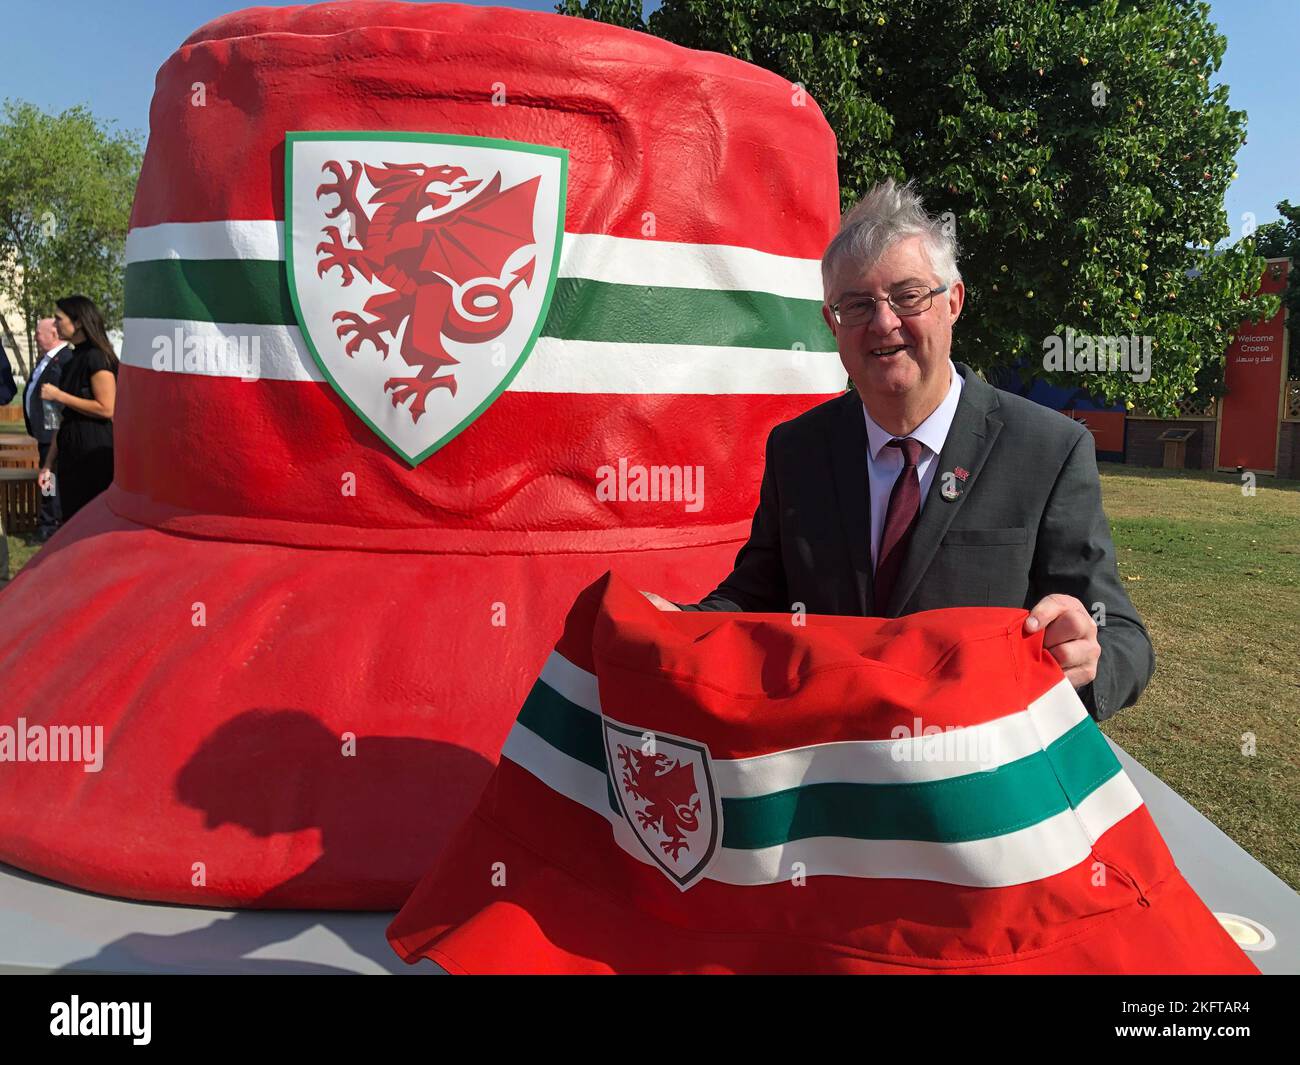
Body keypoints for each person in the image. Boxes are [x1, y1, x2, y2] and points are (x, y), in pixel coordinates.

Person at [644, 179, 1154, 723]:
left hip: (970, 777)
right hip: (832, 764)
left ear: (952, 302)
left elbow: (1123, 638)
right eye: (857, 305)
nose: (884, 322)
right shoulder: (798, 449)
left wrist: (1088, 657)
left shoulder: (1049, 449)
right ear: (831, 324)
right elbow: (759, 593)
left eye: (908, 296)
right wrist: (676, 627)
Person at [38, 296, 119, 522]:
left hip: (93, 452)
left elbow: (106, 408)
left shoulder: (96, 357)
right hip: (71, 451)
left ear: (79, 322)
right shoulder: (73, 359)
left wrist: (59, 395)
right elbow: (65, 417)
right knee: (72, 517)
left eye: (58, 319)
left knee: (92, 520)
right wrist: (48, 464)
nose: (55, 324)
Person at [23, 318, 69, 539]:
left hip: (52, 436)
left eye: (38, 332)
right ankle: (49, 519)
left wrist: (53, 433)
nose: (35, 336)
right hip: (44, 434)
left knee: (49, 479)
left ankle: (50, 524)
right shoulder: (47, 359)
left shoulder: (63, 359)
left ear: (54, 334)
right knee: (48, 478)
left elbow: (59, 403)